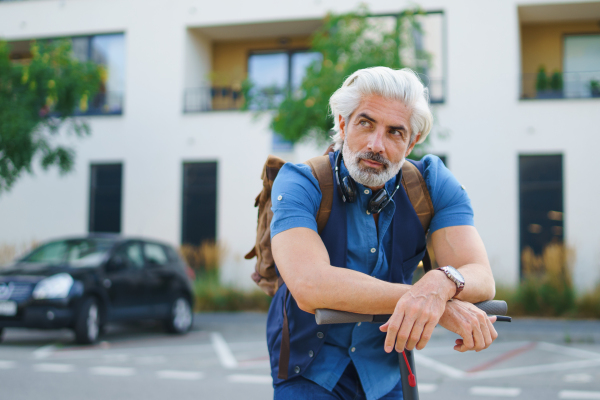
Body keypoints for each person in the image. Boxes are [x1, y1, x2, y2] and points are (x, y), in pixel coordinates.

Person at [267, 67, 497, 400]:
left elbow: (480, 275)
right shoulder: (300, 181)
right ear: (344, 124)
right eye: (365, 123)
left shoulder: (432, 184)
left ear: (412, 141)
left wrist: (439, 284)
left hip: (386, 369)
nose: (377, 145)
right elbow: (310, 285)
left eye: (395, 132)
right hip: (310, 369)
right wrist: (436, 304)